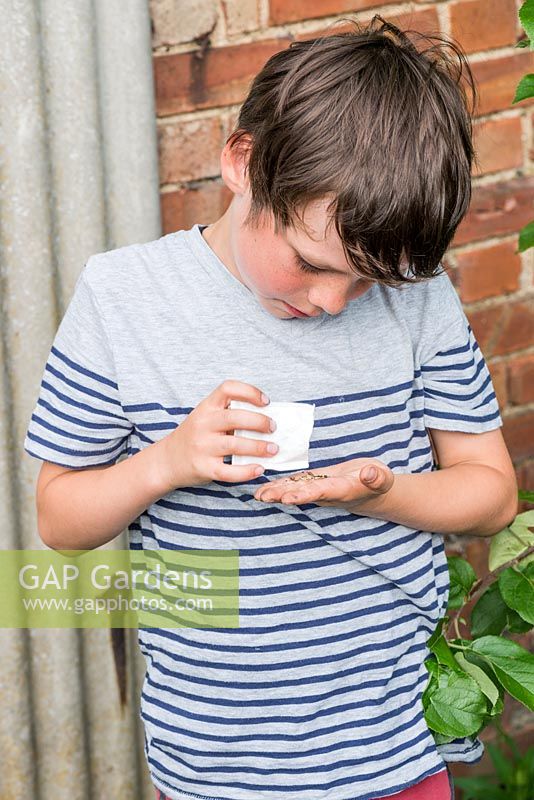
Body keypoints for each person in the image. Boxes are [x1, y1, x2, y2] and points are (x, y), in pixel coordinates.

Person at [24, 14, 517, 800]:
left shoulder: (418, 300)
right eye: (312, 263)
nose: (332, 301)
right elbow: (60, 519)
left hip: (395, 752)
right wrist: (169, 461)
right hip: (217, 770)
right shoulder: (124, 298)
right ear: (242, 163)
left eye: (367, 282)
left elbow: (490, 494)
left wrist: (385, 490)